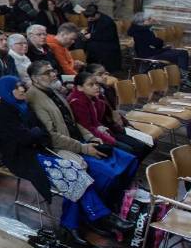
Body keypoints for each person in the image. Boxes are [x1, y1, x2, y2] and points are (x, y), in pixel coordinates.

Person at [0, 76, 134, 248]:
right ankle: (99, 217)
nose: (22, 89)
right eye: (17, 87)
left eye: (22, 85)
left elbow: (42, 134)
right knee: (70, 171)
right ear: (7, 91)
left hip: (39, 151)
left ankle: (73, 225)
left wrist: (34, 134)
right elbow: (25, 139)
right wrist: (34, 134)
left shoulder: (24, 107)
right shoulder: (3, 113)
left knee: (74, 172)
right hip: (21, 159)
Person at [26, 61, 138, 206]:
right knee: (110, 173)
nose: (54, 74)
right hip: (62, 148)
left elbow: (73, 122)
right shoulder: (33, 98)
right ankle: (105, 209)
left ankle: (120, 201)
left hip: (80, 140)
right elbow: (51, 136)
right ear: (35, 78)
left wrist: (92, 137)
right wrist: (84, 147)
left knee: (128, 159)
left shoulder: (53, 91)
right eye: (47, 73)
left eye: (53, 70)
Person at [66, 67, 154, 163]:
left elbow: (110, 115)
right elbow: (88, 128)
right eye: (91, 85)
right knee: (131, 149)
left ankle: (133, 166)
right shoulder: (77, 102)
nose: (96, 87)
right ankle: (130, 169)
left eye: (96, 84)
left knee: (148, 144)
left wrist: (125, 125)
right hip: (95, 137)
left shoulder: (99, 94)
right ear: (80, 88)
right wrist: (109, 137)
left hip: (107, 129)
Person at [82, 4, 122, 73]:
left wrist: (92, 36)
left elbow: (108, 36)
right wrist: (86, 32)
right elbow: (91, 29)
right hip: (97, 44)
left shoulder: (107, 22)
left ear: (97, 14)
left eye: (91, 18)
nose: (89, 20)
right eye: (88, 18)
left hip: (108, 47)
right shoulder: (92, 19)